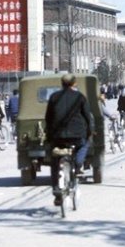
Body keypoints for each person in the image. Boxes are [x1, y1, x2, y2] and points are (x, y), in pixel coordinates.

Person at [45, 73, 94, 206]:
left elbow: (48, 118)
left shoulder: (54, 97)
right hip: (77, 136)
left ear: (61, 83)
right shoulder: (80, 97)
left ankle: (56, 191)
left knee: (55, 161)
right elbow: (87, 117)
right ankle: (78, 166)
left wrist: (49, 137)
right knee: (84, 145)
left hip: (58, 137)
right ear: (74, 84)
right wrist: (89, 133)